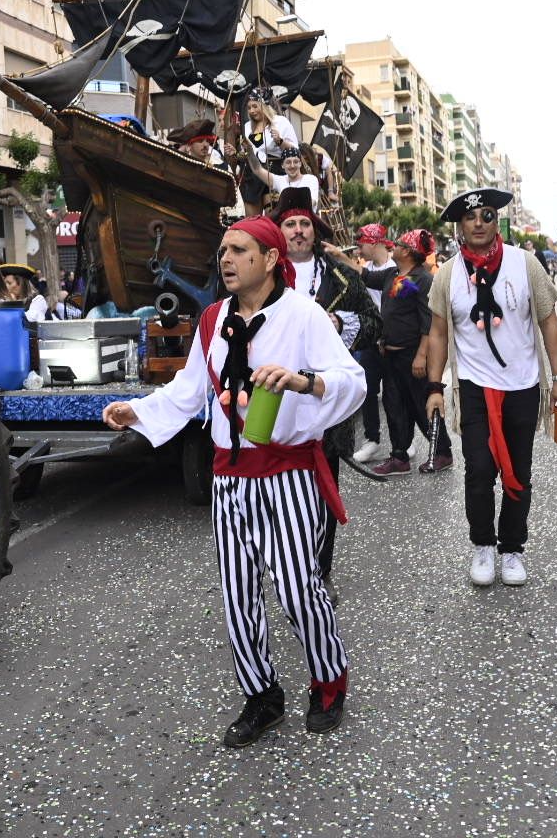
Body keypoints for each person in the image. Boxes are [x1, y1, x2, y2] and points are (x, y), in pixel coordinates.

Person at [101, 214, 364, 746]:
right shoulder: (212, 319)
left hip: (287, 472)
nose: (226, 259)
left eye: (239, 250)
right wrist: (138, 411)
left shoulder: (303, 315)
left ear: (270, 260)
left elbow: (351, 381)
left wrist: (303, 381)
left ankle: (328, 680)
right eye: (223, 250)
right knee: (238, 594)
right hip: (230, 476)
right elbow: (188, 388)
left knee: (296, 588)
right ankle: (262, 695)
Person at [424, 186, 557, 589]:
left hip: (523, 386)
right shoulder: (446, 275)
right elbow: (438, 334)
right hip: (474, 387)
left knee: (519, 472)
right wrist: (435, 387)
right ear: (460, 224)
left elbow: (549, 323)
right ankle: (483, 546)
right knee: (478, 471)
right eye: (471, 217)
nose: (479, 223)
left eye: (487, 215)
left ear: (497, 222)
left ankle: (512, 548)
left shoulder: (525, 265)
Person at [272, 187, 381, 579]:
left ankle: (319, 575)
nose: (298, 231)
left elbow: (373, 324)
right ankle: (288, 571)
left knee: (322, 492)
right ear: (278, 231)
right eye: (290, 224)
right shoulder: (263, 274)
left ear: (314, 231)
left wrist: (338, 324)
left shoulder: (342, 276)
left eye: (304, 223)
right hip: (274, 401)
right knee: (277, 493)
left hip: (324, 403)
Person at [366, 229, 453, 477]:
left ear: (409, 252)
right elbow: (363, 276)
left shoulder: (422, 279)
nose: (394, 245)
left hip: (411, 355)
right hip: (390, 356)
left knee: (419, 406)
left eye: (400, 243)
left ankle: (443, 452)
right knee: (394, 406)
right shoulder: (392, 275)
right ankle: (399, 456)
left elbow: (428, 323)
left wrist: (421, 356)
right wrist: (337, 257)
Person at [351, 222, 394, 465]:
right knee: (367, 390)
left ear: (375, 242)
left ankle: (403, 441)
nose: (359, 247)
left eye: (362, 242)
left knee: (394, 394)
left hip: (393, 342)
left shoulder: (396, 268)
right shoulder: (362, 269)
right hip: (370, 340)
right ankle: (372, 440)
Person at [237, 88, 299, 217]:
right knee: (252, 221)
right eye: (249, 108)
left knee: (274, 218)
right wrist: (237, 153)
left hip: (273, 173)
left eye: (255, 106)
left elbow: (295, 151)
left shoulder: (280, 122)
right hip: (251, 176)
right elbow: (247, 152)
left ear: (264, 105)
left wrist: (280, 141)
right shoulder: (247, 127)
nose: (252, 111)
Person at [245, 146, 322, 202]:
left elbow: (313, 202)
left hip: (305, 221)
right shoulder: (280, 180)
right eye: (288, 162)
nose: (292, 166)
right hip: (287, 222)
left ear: (300, 164)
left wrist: (285, 199)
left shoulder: (311, 179)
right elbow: (257, 170)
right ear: (282, 165)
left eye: (295, 162)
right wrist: (249, 151)